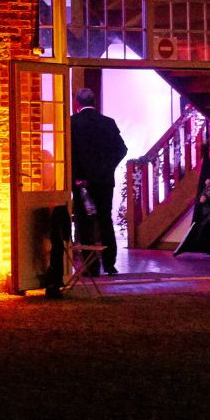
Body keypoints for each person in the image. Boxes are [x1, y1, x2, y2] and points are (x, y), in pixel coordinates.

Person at [70, 85, 128, 276]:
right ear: (94, 102)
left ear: (77, 103)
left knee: (84, 223)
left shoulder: (72, 123)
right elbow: (121, 149)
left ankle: (91, 266)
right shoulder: (108, 123)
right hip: (104, 181)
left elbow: (69, 153)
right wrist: (107, 169)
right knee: (105, 220)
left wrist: (78, 175)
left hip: (82, 182)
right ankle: (110, 264)